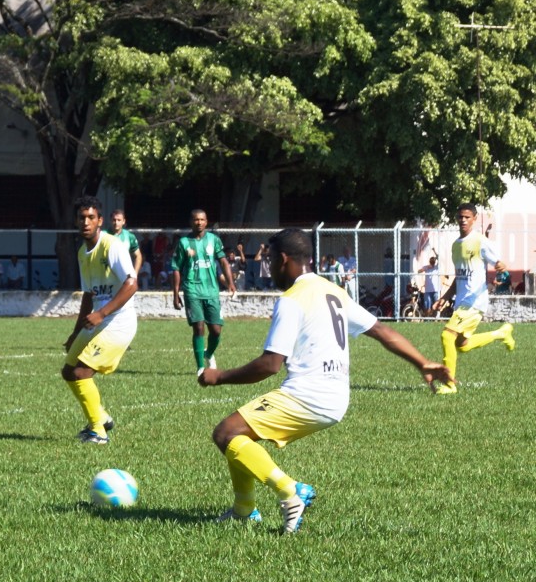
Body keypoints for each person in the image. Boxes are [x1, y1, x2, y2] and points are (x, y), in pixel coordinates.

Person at [199, 228, 452, 533]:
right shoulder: (333, 291)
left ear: (283, 260)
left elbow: (269, 364)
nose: (268, 268)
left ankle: (290, 493)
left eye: (270, 259)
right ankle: (243, 510)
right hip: (336, 397)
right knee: (241, 434)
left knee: (225, 433)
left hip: (308, 394)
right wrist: (422, 361)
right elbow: (382, 331)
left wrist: (219, 377)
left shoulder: (292, 299)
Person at [62, 196, 138, 445]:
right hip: (96, 320)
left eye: (91, 217)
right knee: (69, 372)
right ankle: (102, 418)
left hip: (119, 321)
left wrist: (102, 313)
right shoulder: (83, 252)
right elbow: (88, 295)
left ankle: (98, 432)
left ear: (100, 221)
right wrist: (75, 331)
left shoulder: (112, 246)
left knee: (82, 371)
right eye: (82, 218)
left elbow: (131, 283)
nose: (86, 222)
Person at [432, 204, 515, 394]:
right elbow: (459, 276)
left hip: (475, 301)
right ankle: (501, 334)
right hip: (462, 301)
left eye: (467, 217)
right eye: (460, 217)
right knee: (462, 345)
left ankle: (449, 384)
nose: (463, 220)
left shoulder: (480, 241)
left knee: (447, 335)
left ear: (475, 219)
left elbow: (500, 263)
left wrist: (501, 267)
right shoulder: (456, 245)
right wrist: (445, 297)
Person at [172, 209, 237, 375]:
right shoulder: (184, 242)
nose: (199, 222)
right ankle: (201, 367)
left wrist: (230, 283)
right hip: (192, 290)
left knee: (216, 330)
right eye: (196, 220)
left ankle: (208, 353)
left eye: (202, 220)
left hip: (211, 291)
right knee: (198, 328)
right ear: (191, 222)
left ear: (206, 222)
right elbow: (176, 268)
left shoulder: (214, 240)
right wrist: (176, 293)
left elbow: (223, 262)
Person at [108, 209, 144, 281]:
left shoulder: (129, 236)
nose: (116, 222)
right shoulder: (103, 235)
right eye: (114, 220)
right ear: (110, 221)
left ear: (124, 221)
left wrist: (134, 275)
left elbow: (138, 256)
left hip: (125, 277)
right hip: (107, 277)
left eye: (119, 220)